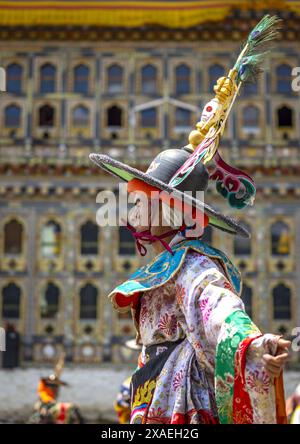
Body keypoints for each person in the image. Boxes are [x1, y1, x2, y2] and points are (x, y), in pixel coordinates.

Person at [90, 15, 290, 424]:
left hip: (183, 401)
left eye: (145, 200)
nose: (135, 212)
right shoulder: (166, 267)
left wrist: (254, 344)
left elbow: (220, 313)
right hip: (153, 394)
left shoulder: (195, 267)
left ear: (174, 210)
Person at [28, 353, 84, 424]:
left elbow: (59, 379)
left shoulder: (54, 382)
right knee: (42, 413)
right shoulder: (44, 381)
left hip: (52, 402)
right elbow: (52, 379)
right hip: (45, 402)